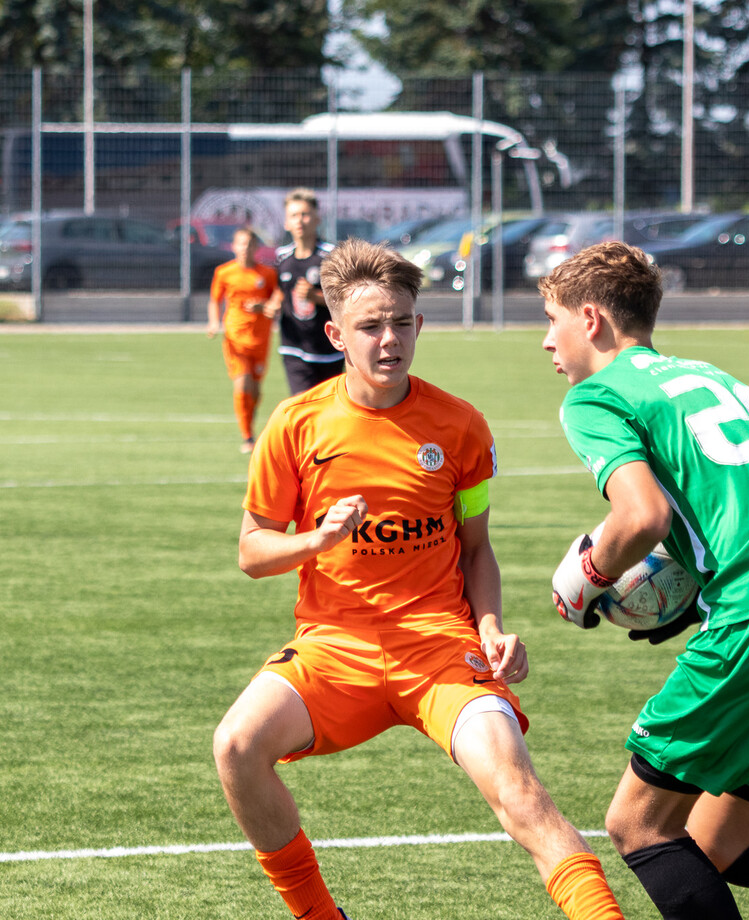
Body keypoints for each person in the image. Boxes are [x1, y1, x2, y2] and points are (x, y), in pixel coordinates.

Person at [213, 238, 626, 920]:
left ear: (419, 326)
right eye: (370, 326)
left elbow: (476, 551)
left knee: (520, 791)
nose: (389, 339)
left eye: (401, 323)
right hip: (333, 647)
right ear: (335, 333)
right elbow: (252, 551)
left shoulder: (459, 426)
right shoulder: (294, 423)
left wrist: (491, 627)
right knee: (235, 745)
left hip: (439, 649)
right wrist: (318, 538)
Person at [541, 240, 749, 920]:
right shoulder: (718, 378)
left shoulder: (596, 396)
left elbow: (641, 516)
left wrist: (586, 577)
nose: (545, 342)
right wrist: (697, 586)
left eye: (549, 320)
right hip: (748, 600)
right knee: (717, 839)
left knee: (638, 825)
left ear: (590, 320)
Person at [207, 227, 281, 453]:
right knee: (242, 384)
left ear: (256, 247)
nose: (245, 248)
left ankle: (250, 421)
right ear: (233, 246)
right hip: (235, 338)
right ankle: (247, 436)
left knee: (256, 390)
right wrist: (213, 322)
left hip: (260, 339)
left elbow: (276, 297)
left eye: (249, 244)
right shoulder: (224, 272)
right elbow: (214, 300)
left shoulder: (266, 274)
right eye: (241, 244)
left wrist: (266, 307)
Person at [274, 187, 345, 394]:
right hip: (293, 347)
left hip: (328, 349)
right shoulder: (282, 257)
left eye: (305, 214)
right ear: (286, 223)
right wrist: (271, 304)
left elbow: (344, 299)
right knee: (301, 404)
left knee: (327, 409)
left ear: (317, 219)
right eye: (294, 215)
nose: (299, 220)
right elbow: (279, 291)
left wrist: (314, 296)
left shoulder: (331, 255)